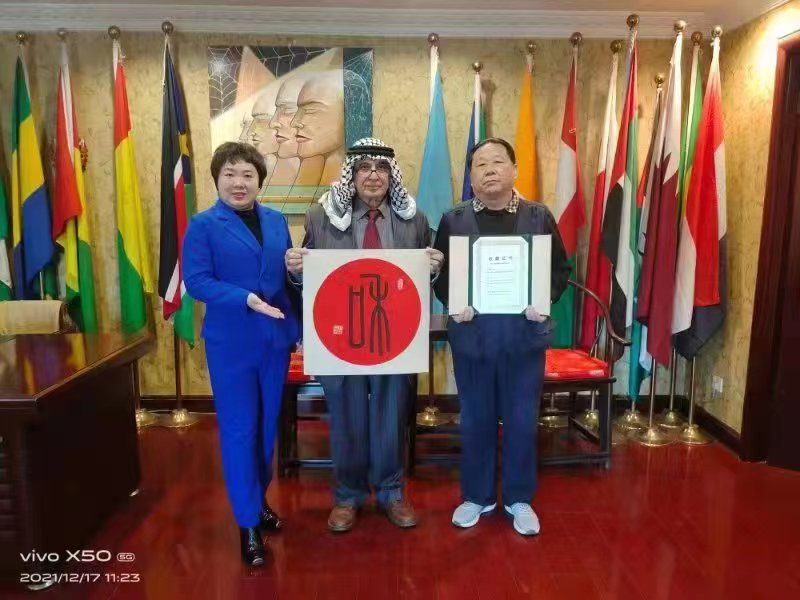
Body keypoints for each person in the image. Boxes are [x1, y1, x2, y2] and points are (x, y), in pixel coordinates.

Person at [285, 137, 443, 533]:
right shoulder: (321, 218)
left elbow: (421, 282)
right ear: (351, 176)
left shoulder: (414, 219)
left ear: (392, 175)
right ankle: (348, 495)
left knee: (391, 416)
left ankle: (391, 492)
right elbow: (307, 280)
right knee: (347, 418)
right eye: (364, 168)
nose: (373, 175)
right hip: (340, 341)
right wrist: (295, 269)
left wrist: (434, 267)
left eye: (382, 168)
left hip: (395, 340)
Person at [432, 137, 569, 536]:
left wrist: (543, 300)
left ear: (514, 169)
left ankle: (518, 498)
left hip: (524, 337)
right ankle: (477, 496)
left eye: (497, 162)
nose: (489, 170)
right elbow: (442, 277)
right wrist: (454, 303)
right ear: (471, 176)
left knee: (522, 421)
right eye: (480, 164)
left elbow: (559, 270)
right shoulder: (453, 220)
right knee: (475, 420)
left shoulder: (538, 216)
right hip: (473, 338)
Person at [183, 142, 301, 566]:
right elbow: (197, 281)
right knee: (239, 430)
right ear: (217, 179)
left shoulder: (276, 221)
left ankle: (258, 499)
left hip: (274, 341)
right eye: (230, 174)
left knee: (266, 430)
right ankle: (247, 524)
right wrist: (244, 298)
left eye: (247, 174)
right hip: (231, 343)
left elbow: (285, 281)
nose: (239, 182)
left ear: (259, 181)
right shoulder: (203, 225)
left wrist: (298, 322)